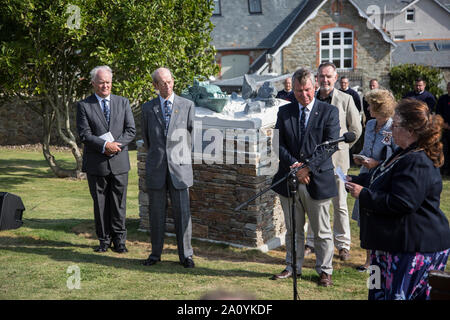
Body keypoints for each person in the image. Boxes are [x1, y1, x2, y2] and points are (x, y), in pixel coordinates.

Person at [345, 99, 450, 300]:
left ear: (410, 130)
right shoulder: (402, 153)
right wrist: (356, 180)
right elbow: (383, 178)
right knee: (376, 294)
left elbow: (403, 202)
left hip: (413, 247)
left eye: (395, 125)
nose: (391, 129)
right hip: (385, 245)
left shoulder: (417, 160)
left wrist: (364, 194)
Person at [270, 68, 340, 287]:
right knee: (293, 229)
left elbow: (330, 146)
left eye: (308, 89)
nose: (304, 95)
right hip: (289, 180)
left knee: (321, 230)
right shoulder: (285, 111)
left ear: (315, 86)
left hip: (316, 180)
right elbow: (277, 143)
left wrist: (307, 168)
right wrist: (294, 165)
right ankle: (292, 266)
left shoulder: (329, 112)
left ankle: (324, 270)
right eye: (299, 91)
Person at [305, 62, 362, 261]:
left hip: (338, 161)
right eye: (321, 76)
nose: (325, 80)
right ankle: (311, 241)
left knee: (339, 203)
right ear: (316, 78)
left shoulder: (345, 100)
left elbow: (355, 130)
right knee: (315, 201)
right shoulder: (311, 100)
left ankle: (343, 244)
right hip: (315, 161)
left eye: (328, 76)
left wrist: (342, 146)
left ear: (336, 78)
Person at [76, 65, 136, 253]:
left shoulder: (123, 102)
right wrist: (104, 146)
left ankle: (120, 241)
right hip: (97, 163)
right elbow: (84, 134)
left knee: (119, 203)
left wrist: (115, 145)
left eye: (108, 82)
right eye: (101, 82)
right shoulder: (84, 106)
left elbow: (131, 131)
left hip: (119, 161)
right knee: (100, 203)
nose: (105, 86)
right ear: (93, 83)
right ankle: (104, 240)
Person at [141, 67, 196, 268]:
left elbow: (191, 137)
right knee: (156, 214)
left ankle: (186, 256)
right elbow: (147, 140)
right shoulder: (148, 108)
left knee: (183, 215)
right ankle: (155, 254)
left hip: (179, 171)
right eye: (162, 82)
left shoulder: (187, 105)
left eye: (170, 81)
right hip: (156, 168)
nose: (167, 85)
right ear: (155, 85)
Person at [350, 89, 397, 271]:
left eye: (370, 105)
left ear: (379, 107)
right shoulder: (369, 125)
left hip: (384, 178)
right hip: (365, 174)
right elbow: (367, 148)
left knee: (379, 218)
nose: (367, 108)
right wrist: (360, 157)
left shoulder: (393, 127)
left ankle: (381, 259)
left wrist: (377, 163)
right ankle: (368, 260)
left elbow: (396, 156)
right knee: (366, 218)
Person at [436, 81, 450, 176]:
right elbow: (438, 112)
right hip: (444, 129)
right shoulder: (442, 99)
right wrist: (443, 124)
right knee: (444, 150)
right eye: (449, 87)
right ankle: (444, 170)